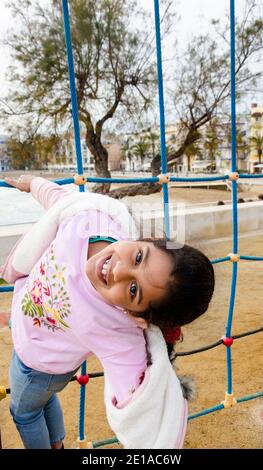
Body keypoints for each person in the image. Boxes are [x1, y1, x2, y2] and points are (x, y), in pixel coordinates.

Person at [1, 175, 215, 449]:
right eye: (139, 257)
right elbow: (61, 201)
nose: (118, 270)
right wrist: (33, 184)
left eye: (134, 290)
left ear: (137, 316)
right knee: (43, 401)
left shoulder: (118, 327)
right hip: (48, 363)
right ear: (150, 239)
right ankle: (57, 443)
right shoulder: (92, 220)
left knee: (24, 412)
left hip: (36, 364)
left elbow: (139, 397)